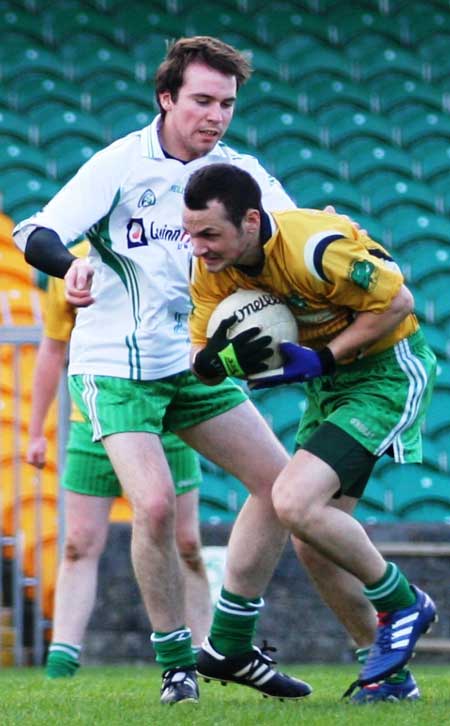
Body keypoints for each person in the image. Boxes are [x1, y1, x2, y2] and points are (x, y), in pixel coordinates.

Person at [14, 36, 313, 705]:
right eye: (202, 100)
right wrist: (73, 268)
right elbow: (32, 231)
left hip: (194, 367)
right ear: (167, 98)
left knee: (282, 489)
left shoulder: (241, 172)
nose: (216, 115)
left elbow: (298, 237)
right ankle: (177, 665)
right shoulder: (122, 163)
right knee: (152, 507)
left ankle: (229, 643)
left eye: (227, 103)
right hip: (114, 369)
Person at [183, 162, 438, 701]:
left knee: (293, 501)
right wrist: (218, 359)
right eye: (191, 233)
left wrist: (324, 358)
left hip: (387, 374)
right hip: (331, 387)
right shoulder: (210, 270)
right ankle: (388, 678)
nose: (198, 246)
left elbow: (399, 302)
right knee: (312, 541)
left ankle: (402, 601)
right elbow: (198, 359)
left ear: (251, 221)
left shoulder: (315, 247)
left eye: (209, 233)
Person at [27, 240, 213, 678]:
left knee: (186, 543)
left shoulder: (167, 253)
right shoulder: (71, 263)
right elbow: (54, 348)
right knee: (77, 544)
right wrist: (36, 431)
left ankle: (207, 653)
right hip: (93, 421)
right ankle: (62, 661)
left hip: (166, 416)